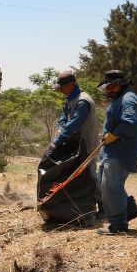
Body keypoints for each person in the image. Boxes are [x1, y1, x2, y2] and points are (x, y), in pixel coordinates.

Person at [96, 70, 137, 235]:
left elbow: (130, 123)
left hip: (120, 152)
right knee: (104, 186)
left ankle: (118, 225)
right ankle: (129, 210)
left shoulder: (128, 98)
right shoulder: (119, 99)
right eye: (107, 87)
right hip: (110, 151)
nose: (109, 90)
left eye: (112, 86)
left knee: (111, 187)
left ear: (122, 83)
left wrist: (115, 135)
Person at [47, 70, 101, 211]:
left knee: (90, 175)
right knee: (77, 175)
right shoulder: (70, 99)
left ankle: (105, 207)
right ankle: (82, 206)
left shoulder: (83, 101)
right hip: (76, 144)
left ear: (72, 84)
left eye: (62, 88)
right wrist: (60, 129)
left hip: (87, 143)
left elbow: (73, 125)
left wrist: (56, 142)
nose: (60, 91)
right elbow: (64, 119)